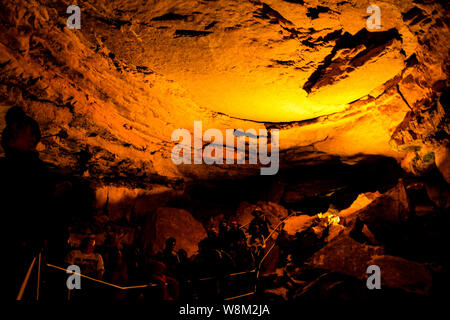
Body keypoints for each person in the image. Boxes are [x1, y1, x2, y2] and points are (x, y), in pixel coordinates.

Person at [0, 106, 56, 299]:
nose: (11, 130)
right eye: (11, 127)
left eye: (20, 128)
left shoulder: (37, 174)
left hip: (14, 257)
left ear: (33, 140)